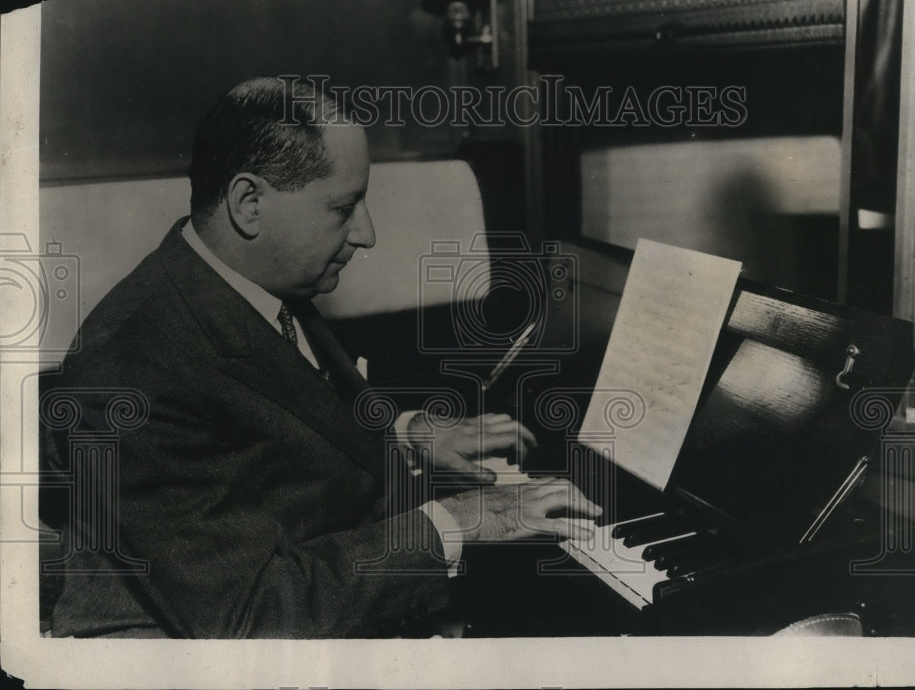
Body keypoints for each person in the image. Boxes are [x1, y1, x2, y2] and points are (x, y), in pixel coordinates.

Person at [43, 77, 599, 639]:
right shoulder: (131, 371)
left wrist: (409, 435)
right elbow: (250, 615)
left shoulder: (253, 281)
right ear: (249, 204)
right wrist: (459, 522)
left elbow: (288, 420)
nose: (368, 233)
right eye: (343, 207)